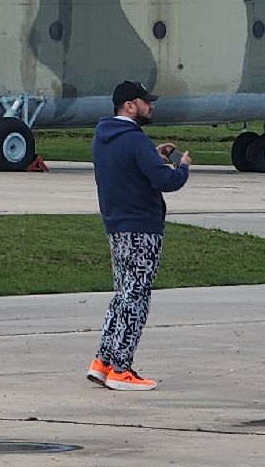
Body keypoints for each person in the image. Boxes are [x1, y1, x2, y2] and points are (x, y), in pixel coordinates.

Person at [86, 80, 190, 392]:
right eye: (145, 102)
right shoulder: (134, 139)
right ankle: (121, 368)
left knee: (122, 295)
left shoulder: (103, 137)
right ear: (129, 106)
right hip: (142, 228)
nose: (151, 106)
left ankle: (103, 361)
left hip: (117, 226)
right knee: (137, 298)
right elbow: (166, 181)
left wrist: (152, 155)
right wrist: (181, 167)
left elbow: (129, 168)